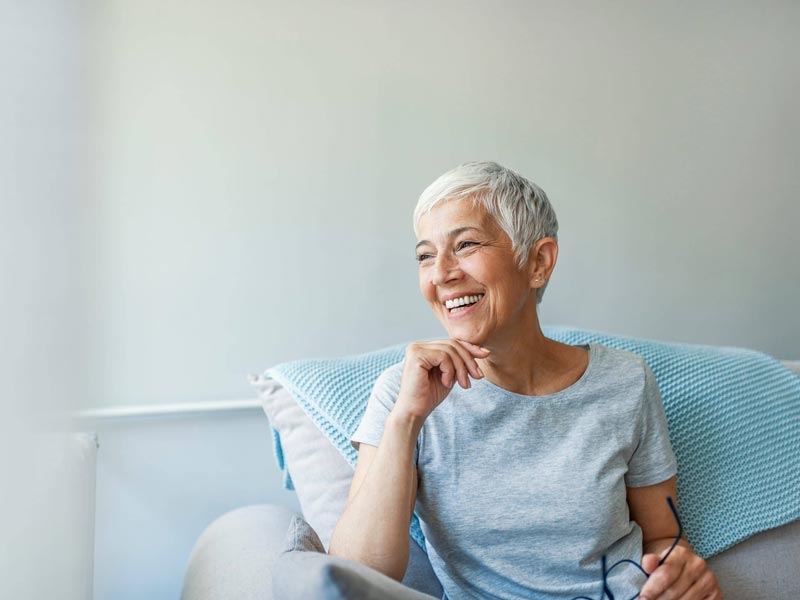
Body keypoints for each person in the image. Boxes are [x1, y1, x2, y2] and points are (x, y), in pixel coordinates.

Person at [329, 161, 722, 600]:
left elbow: (663, 537)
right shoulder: (402, 393)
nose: (441, 273)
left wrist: (682, 577)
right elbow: (356, 574)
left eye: (466, 244)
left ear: (538, 261)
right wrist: (405, 420)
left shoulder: (626, 381)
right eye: (425, 255)